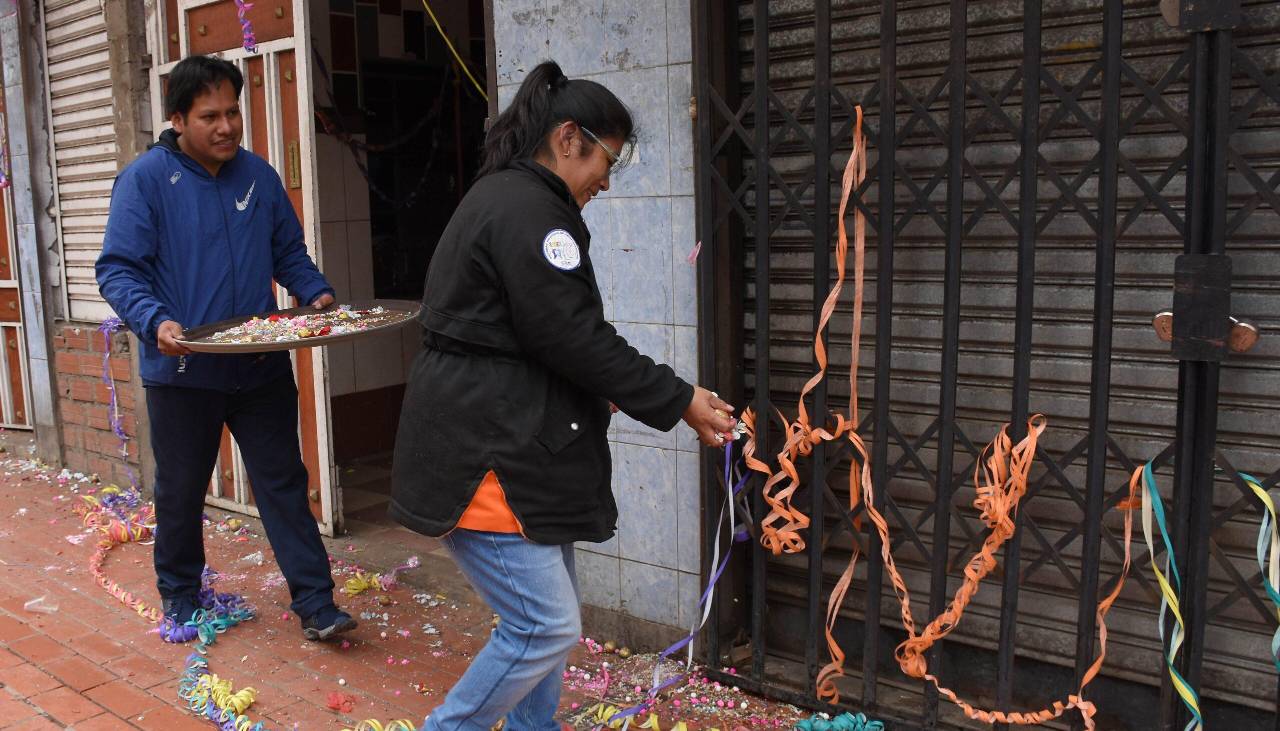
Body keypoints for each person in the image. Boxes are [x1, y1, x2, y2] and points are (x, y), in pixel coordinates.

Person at [389, 60, 736, 731]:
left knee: (546, 622)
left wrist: (595, 389)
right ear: (568, 137)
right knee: (544, 625)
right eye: (606, 159)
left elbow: (538, 335)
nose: (606, 180)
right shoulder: (530, 213)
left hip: (518, 439)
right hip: (488, 450)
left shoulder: (512, 199)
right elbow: (572, 336)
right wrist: (679, 399)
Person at [96, 55, 356, 641]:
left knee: (284, 482)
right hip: (183, 368)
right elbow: (117, 270)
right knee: (181, 490)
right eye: (210, 115)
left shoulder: (259, 178)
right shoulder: (145, 180)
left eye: (233, 112)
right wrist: (153, 320)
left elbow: (289, 253)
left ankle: (317, 604)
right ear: (178, 119)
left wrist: (314, 294)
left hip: (259, 364)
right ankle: (181, 596)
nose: (227, 127)